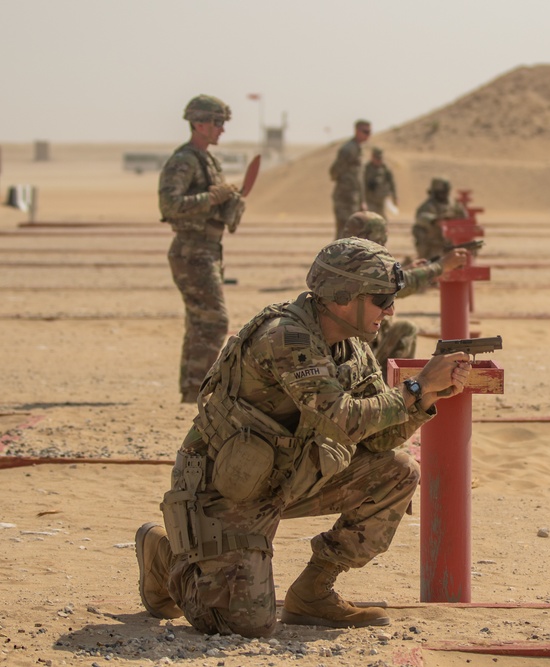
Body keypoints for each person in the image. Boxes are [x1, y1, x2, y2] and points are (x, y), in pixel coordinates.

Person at [134, 237, 471, 637]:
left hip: (288, 476)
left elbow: (376, 441)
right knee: (241, 625)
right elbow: (341, 419)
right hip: (228, 489)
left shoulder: (353, 349)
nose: (390, 310)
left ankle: (314, 591)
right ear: (344, 296)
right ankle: (166, 554)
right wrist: (413, 389)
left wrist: (425, 398)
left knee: (396, 472)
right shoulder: (286, 338)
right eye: (381, 299)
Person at [159, 94, 245, 404]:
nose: (222, 129)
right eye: (217, 122)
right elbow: (169, 205)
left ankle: (192, 390)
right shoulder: (184, 160)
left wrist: (230, 203)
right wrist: (211, 198)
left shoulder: (208, 160)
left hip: (208, 248)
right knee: (214, 321)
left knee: (200, 322)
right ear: (198, 123)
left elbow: (217, 210)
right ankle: (199, 390)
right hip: (191, 250)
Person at [342, 211, 468, 374]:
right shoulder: (363, 262)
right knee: (406, 330)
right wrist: (441, 266)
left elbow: (385, 283)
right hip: (354, 354)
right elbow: (399, 284)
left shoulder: (342, 256)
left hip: (349, 347)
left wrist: (406, 270)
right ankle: (390, 391)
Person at [329, 119, 371, 239]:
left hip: (354, 198)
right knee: (344, 231)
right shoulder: (348, 149)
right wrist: (345, 183)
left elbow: (359, 178)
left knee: (353, 232)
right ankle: (336, 257)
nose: (368, 135)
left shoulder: (359, 149)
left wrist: (362, 200)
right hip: (345, 197)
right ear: (357, 131)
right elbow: (335, 171)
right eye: (365, 131)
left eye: (369, 132)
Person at [412, 176, 468, 260]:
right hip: (433, 247)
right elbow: (421, 217)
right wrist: (435, 220)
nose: (444, 195)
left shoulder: (454, 204)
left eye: (446, 192)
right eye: (441, 193)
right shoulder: (428, 206)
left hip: (452, 244)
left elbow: (464, 218)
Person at [363, 147, 398, 219]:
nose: (379, 160)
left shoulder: (385, 168)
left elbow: (392, 183)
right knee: (370, 220)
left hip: (382, 201)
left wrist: (395, 197)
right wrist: (362, 201)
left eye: (380, 158)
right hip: (370, 201)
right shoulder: (366, 168)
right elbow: (361, 185)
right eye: (377, 158)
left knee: (383, 221)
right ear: (372, 157)